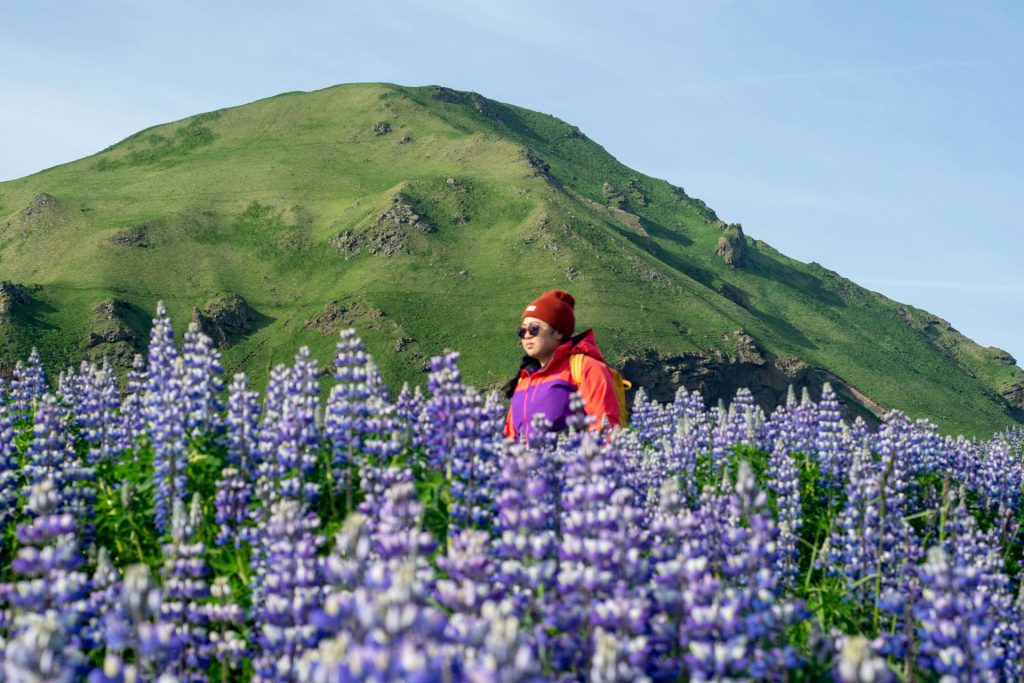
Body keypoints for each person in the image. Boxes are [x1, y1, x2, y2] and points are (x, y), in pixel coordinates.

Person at [503, 290, 621, 442]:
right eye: (522, 330)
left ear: (558, 332)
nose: (526, 335)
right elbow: (510, 438)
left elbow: (606, 427)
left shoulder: (586, 368)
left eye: (534, 328)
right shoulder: (523, 381)